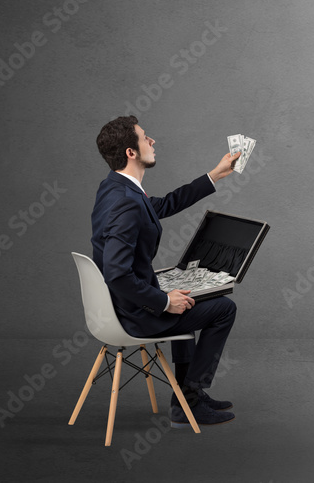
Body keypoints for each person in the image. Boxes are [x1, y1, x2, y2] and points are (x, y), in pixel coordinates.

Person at [91, 115, 241, 427]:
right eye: (145, 138)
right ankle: (191, 396)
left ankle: (186, 398)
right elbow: (116, 273)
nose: (152, 141)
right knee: (224, 308)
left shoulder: (115, 188)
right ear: (131, 152)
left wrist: (214, 176)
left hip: (123, 304)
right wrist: (162, 302)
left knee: (185, 294)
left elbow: (164, 205)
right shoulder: (126, 202)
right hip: (134, 313)